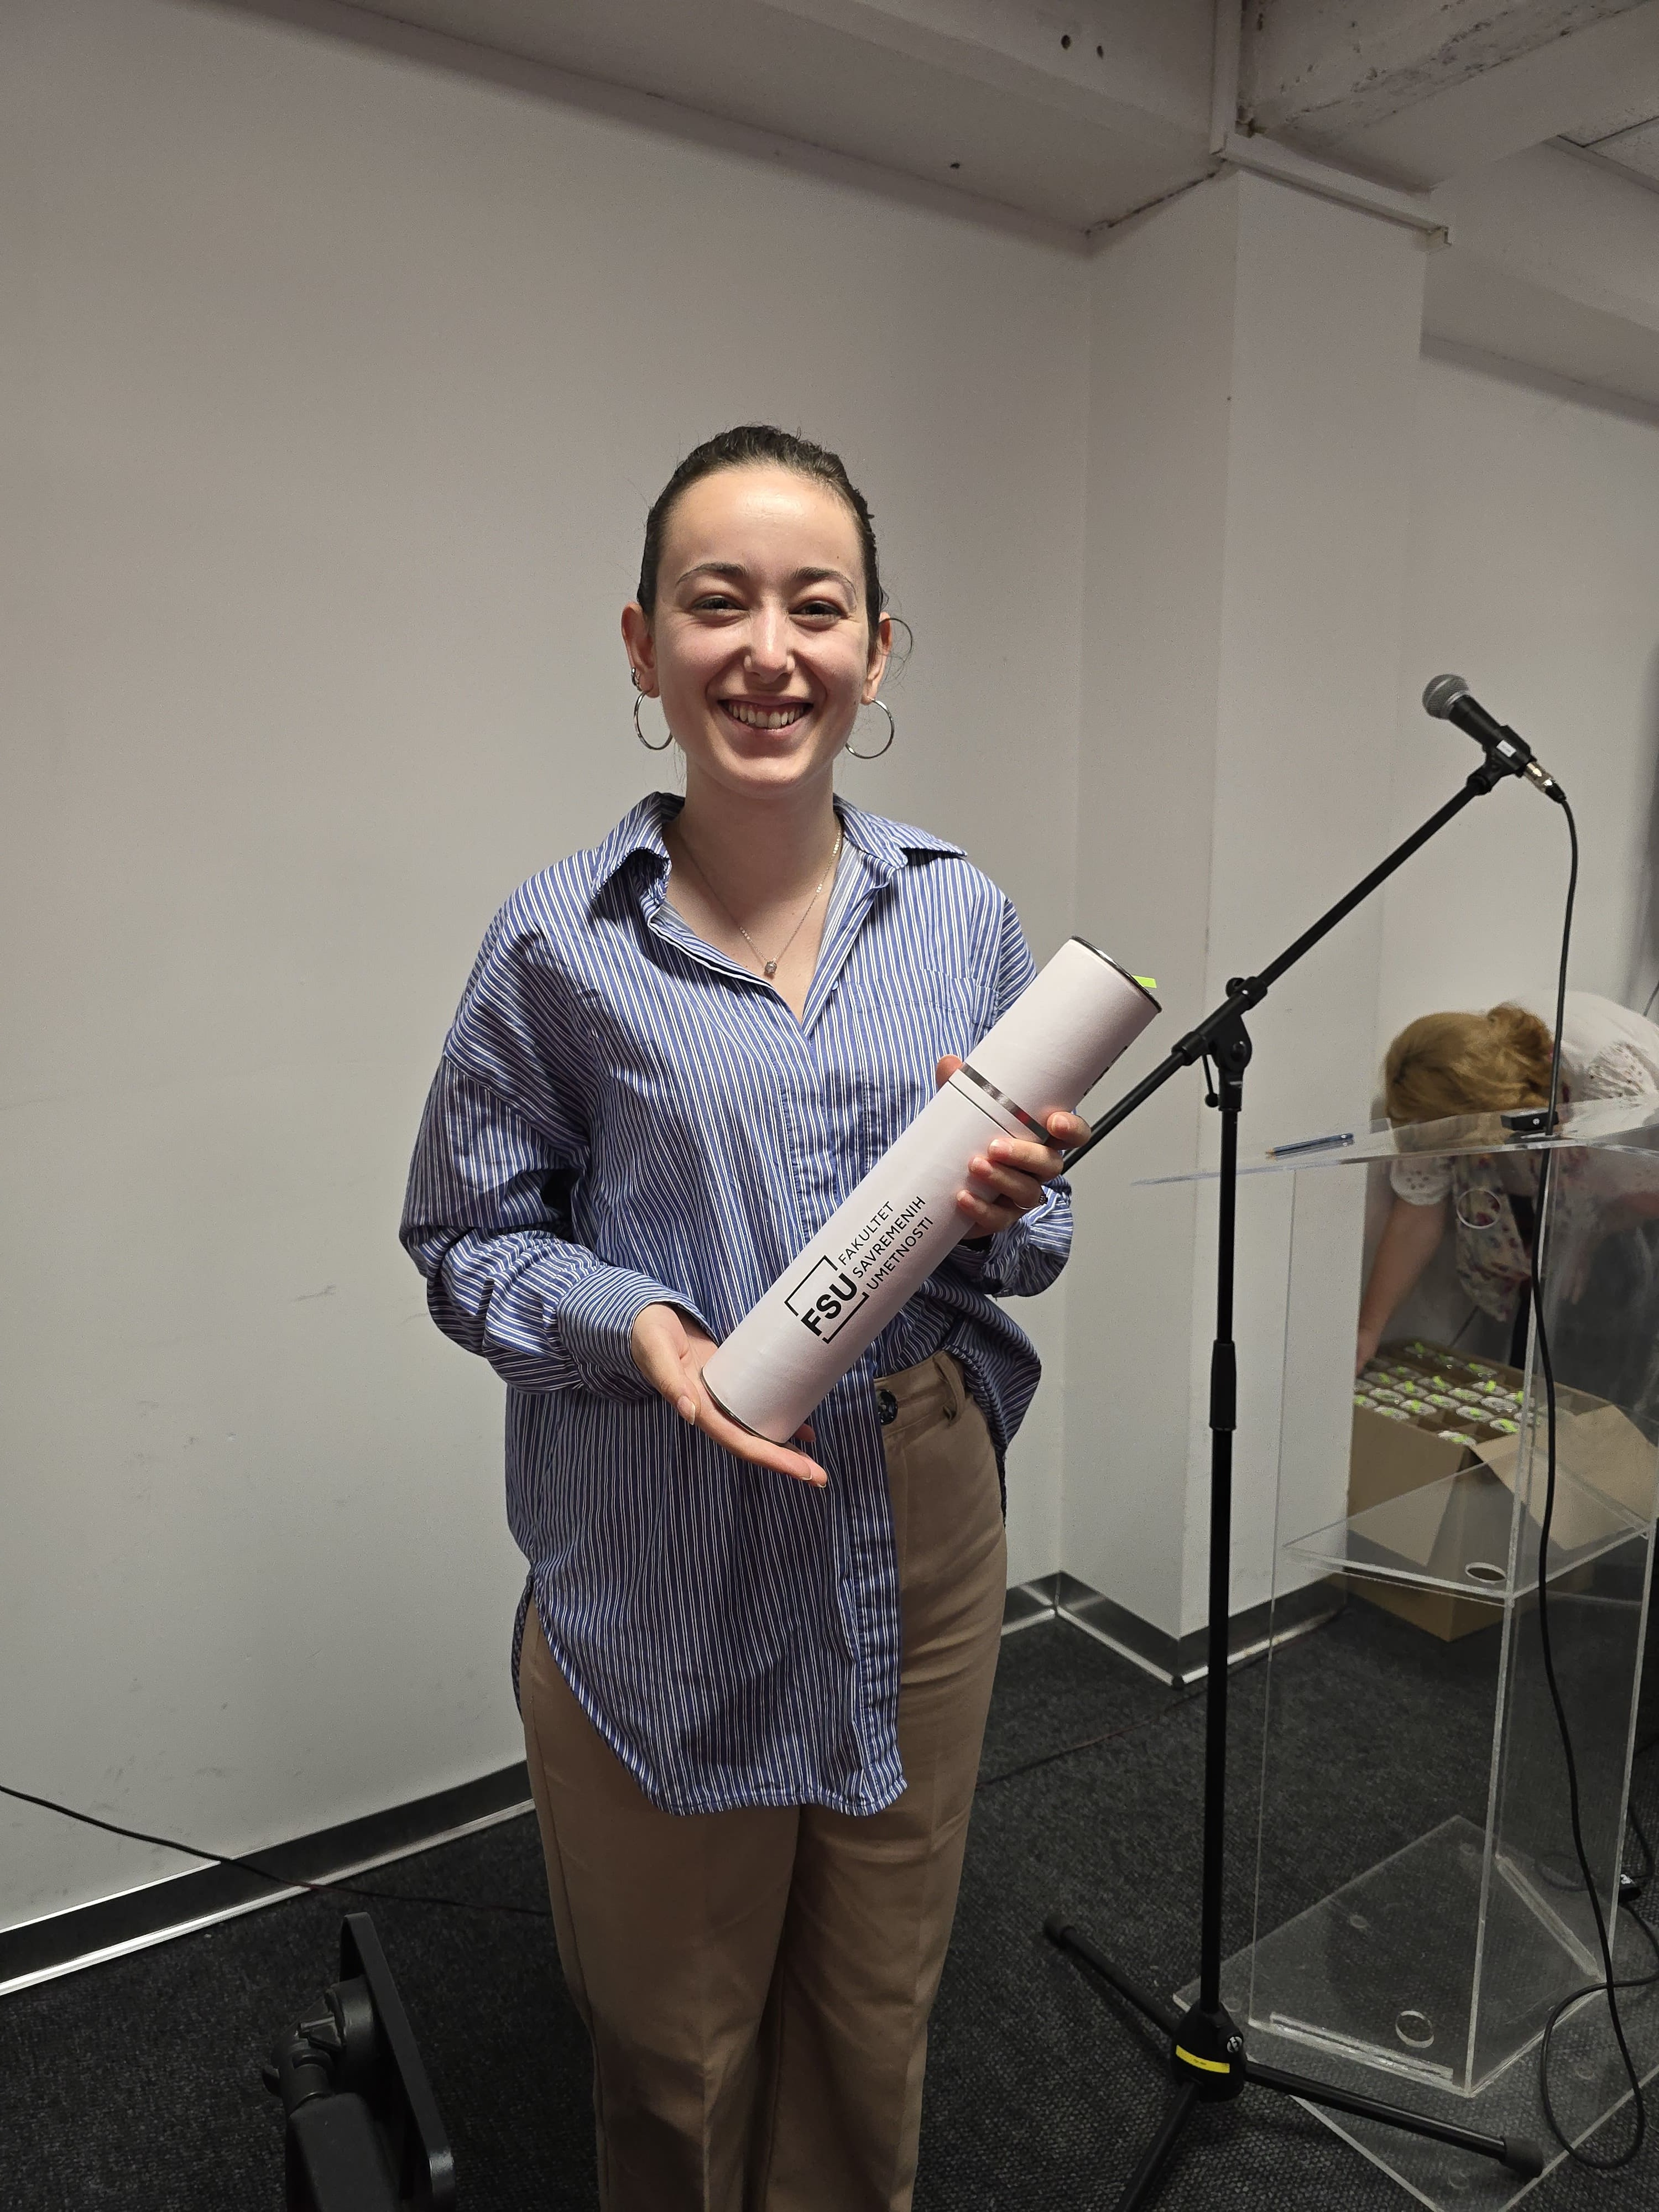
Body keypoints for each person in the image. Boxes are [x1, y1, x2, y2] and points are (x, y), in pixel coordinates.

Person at [400, 425, 1087, 2212]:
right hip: (664, 1522)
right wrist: (639, 1326)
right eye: (719, 604)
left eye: (818, 607)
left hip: (917, 1512)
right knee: (676, 2041)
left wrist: (1014, 1201)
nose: (770, 651)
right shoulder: (558, 942)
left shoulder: (962, 915)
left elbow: (1032, 1238)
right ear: (644, 646)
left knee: (873, 2011)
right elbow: (465, 1238)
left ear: (878, 648)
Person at [1355, 992, 1659, 1373]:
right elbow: (1417, 1215)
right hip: (1559, 1214)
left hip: (1634, 1210)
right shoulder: (1442, 1094)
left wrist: (1587, 1236)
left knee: (1604, 1357)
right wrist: (1368, 1330)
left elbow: (1649, 1193)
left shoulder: (1604, 1079)